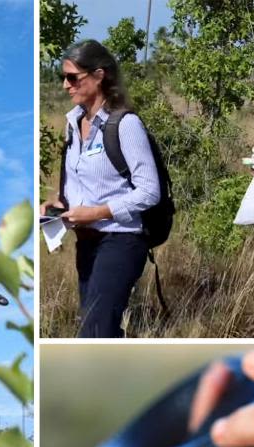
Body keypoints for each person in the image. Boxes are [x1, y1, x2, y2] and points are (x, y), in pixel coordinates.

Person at [39, 39, 160, 338]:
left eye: (73, 77)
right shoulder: (73, 126)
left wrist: (97, 212)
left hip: (121, 240)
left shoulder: (126, 124)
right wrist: (55, 206)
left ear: (99, 75)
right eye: (63, 78)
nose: (66, 85)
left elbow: (150, 191)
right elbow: (81, 185)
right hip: (87, 243)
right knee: (96, 328)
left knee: (96, 329)